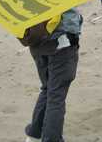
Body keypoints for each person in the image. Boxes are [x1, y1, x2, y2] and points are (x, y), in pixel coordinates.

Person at [22, 8, 83, 142]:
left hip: (36, 40)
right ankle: (50, 138)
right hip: (61, 42)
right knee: (56, 95)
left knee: (48, 88)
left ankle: (34, 133)